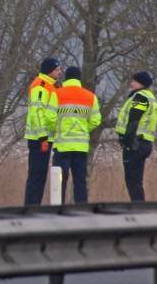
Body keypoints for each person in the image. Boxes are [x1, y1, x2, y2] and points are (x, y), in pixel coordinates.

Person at [52, 66, 101, 203]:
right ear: (79, 78)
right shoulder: (90, 96)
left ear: (66, 78)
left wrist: (56, 130)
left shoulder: (57, 94)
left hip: (62, 146)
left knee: (60, 181)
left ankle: (58, 209)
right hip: (80, 146)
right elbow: (96, 120)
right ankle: (82, 210)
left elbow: (49, 118)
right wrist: (84, 129)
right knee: (80, 181)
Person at [115, 71, 157, 202]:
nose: (131, 83)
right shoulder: (150, 97)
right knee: (136, 180)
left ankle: (138, 206)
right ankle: (139, 205)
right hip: (144, 143)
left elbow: (134, 120)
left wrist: (126, 141)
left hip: (136, 143)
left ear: (141, 83)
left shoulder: (140, 97)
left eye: (134, 81)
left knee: (132, 180)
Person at [24, 57, 61, 205]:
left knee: (39, 175)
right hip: (40, 139)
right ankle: (32, 207)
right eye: (57, 69)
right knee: (36, 176)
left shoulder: (49, 86)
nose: (60, 72)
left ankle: (34, 206)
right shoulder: (41, 86)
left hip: (43, 138)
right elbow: (36, 112)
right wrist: (43, 137)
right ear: (49, 71)